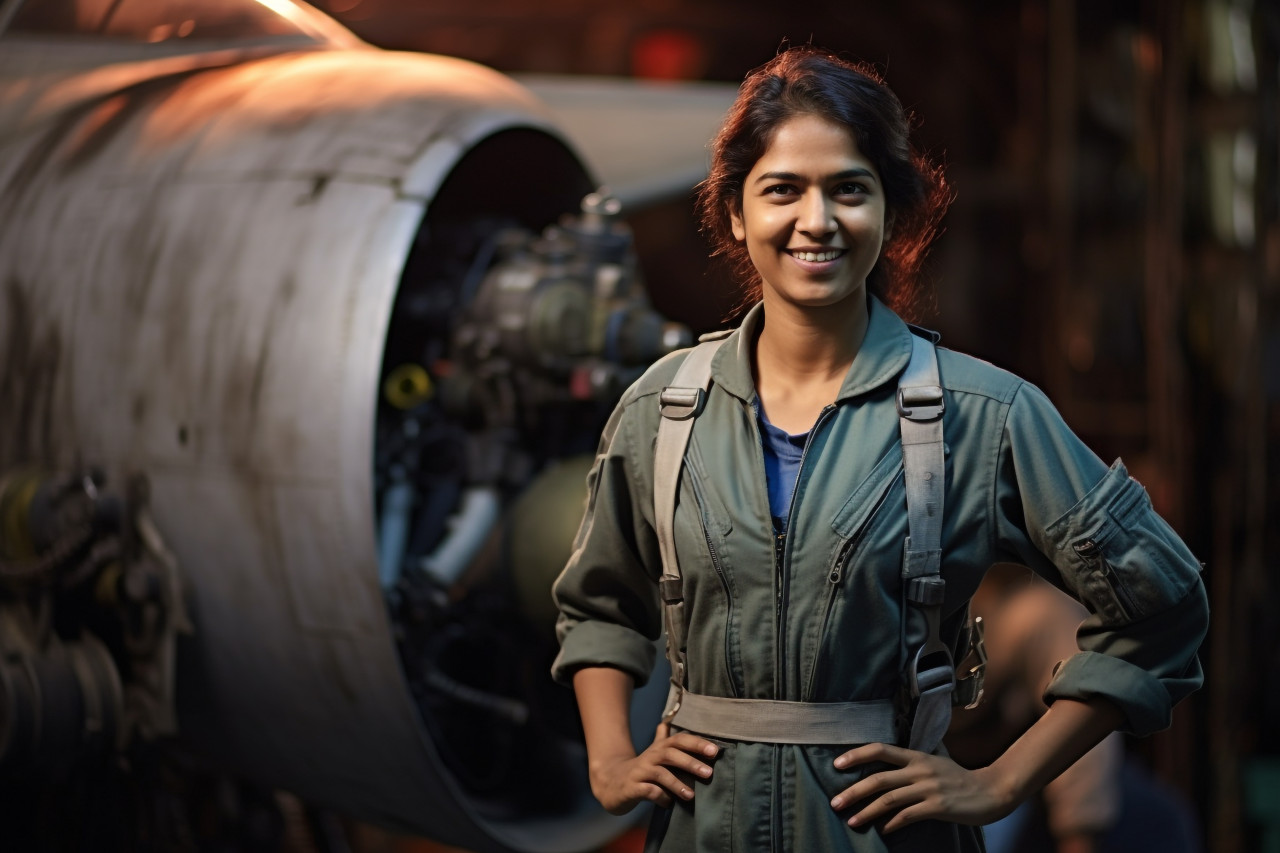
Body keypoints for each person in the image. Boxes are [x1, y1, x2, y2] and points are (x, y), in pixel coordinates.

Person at [551, 46, 1208, 853]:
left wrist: (1000, 780)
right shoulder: (662, 407)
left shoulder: (984, 414)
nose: (816, 220)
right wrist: (611, 755)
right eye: (782, 190)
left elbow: (1165, 606)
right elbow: (597, 602)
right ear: (734, 212)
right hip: (702, 829)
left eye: (849, 189)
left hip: (887, 833)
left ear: (892, 214)